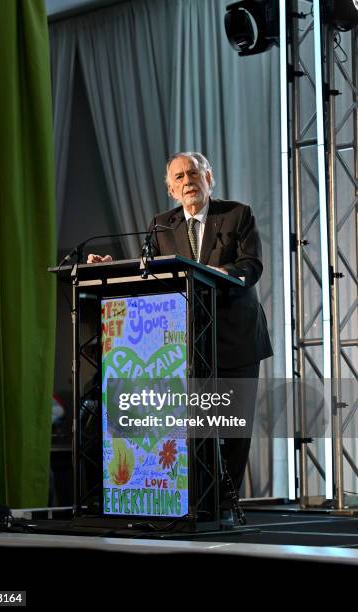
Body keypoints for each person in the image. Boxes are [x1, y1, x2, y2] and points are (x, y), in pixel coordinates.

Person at [88, 151, 273, 499]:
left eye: (193, 173)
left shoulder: (236, 214)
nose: (187, 181)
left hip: (235, 336)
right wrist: (114, 268)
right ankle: (200, 502)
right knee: (195, 427)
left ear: (208, 178)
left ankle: (227, 502)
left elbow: (252, 266)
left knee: (232, 426)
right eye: (179, 177)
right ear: (171, 190)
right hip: (186, 343)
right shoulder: (162, 224)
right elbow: (151, 276)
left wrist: (223, 273)